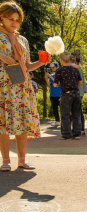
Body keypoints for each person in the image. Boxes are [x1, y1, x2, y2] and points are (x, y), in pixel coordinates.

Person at [0, 1, 48, 172]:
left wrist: (41, 63)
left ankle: (22, 160)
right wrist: (2, 56)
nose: (14, 22)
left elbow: (26, 66)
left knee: (22, 121)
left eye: (17, 20)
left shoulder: (22, 40)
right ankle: (5, 160)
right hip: (3, 86)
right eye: (10, 18)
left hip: (21, 84)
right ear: (1, 18)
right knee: (3, 124)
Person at [53, 51, 82, 140]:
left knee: (65, 114)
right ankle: (76, 134)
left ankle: (67, 134)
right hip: (76, 93)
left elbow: (55, 84)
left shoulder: (59, 70)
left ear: (61, 60)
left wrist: (60, 84)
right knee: (76, 114)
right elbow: (80, 83)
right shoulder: (75, 70)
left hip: (66, 94)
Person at [71, 52, 87, 136]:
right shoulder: (78, 68)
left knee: (77, 111)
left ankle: (80, 129)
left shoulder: (76, 69)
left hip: (77, 92)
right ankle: (81, 129)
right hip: (79, 92)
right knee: (78, 110)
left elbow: (78, 82)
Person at [44, 62, 61, 126]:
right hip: (53, 94)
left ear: (57, 67)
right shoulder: (52, 75)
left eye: (53, 67)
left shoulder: (59, 75)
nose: (52, 69)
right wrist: (46, 78)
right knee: (55, 108)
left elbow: (58, 82)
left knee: (62, 108)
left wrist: (50, 76)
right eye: (51, 68)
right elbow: (49, 84)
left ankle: (65, 121)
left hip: (59, 94)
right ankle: (57, 120)